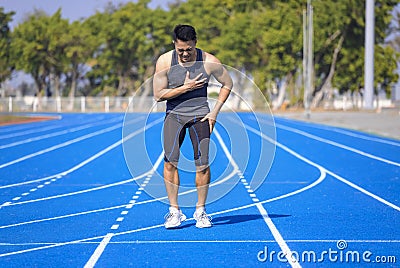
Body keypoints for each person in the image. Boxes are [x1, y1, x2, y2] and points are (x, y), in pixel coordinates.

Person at [153, 24, 233, 228]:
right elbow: (158, 95)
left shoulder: (209, 61)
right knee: (170, 162)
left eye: (189, 49)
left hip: (200, 116)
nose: (185, 54)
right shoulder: (164, 61)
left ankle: (201, 211)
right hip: (174, 115)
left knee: (203, 164)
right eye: (180, 50)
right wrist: (185, 88)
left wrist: (214, 112)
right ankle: (174, 212)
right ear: (174, 45)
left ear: (195, 43)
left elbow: (228, 84)